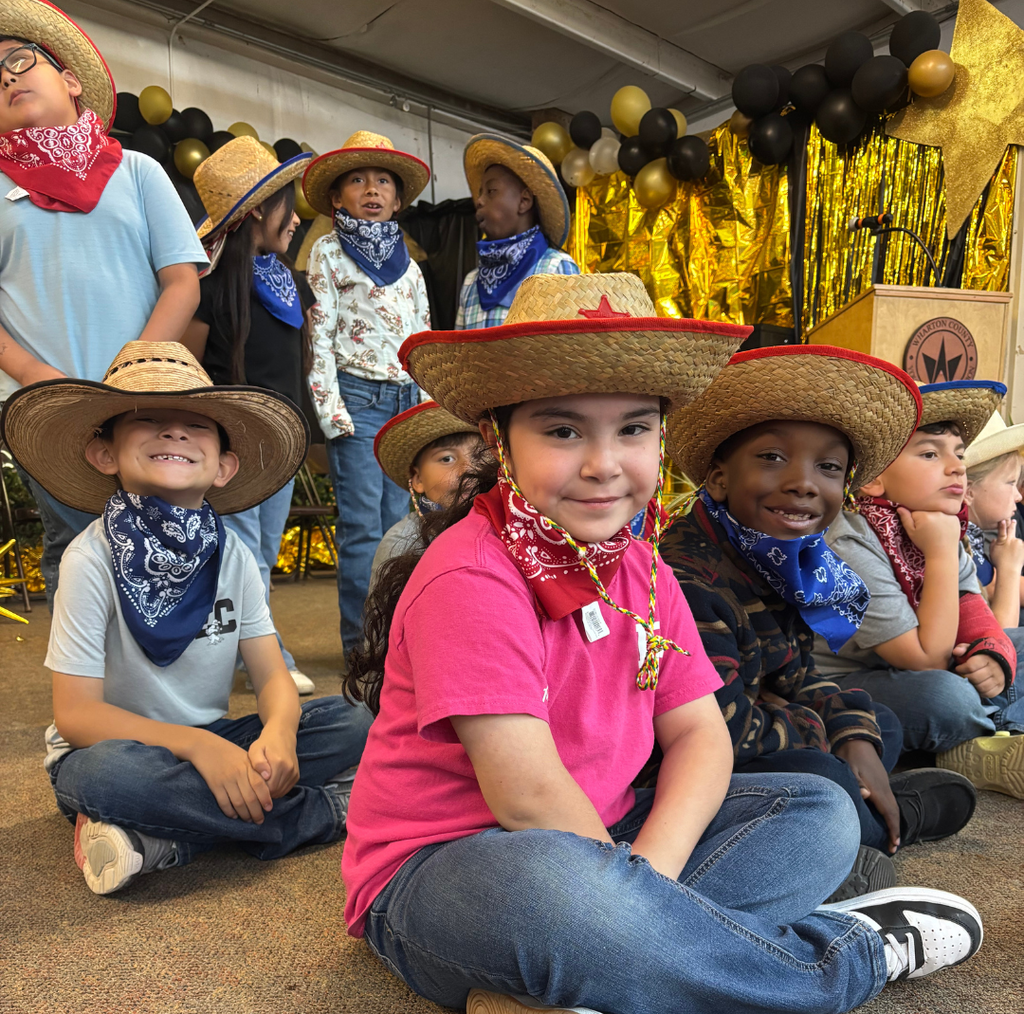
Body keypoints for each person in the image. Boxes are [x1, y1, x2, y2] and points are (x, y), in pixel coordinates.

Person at [339, 272, 983, 1014]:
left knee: (818, 810)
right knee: (562, 893)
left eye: (634, 429)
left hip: (610, 839)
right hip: (449, 868)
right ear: (498, 438)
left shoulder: (644, 565)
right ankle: (841, 959)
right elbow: (524, 797)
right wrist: (613, 900)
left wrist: (639, 886)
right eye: (562, 430)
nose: (604, 463)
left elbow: (702, 739)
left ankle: (598, 975)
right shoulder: (471, 573)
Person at [0, 341, 373, 895]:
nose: (174, 432)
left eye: (197, 424)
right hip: (114, 750)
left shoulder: (235, 555)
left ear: (224, 466)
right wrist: (201, 749)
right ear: (103, 454)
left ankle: (165, 841)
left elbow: (271, 675)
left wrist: (278, 731)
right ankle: (323, 813)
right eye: (147, 419)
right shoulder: (90, 557)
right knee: (108, 780)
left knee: (356, 720)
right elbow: (76, 716)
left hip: (216, 738)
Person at [657, 345, 977, 900]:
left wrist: (849, 734)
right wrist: (822, 732)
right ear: (716, 479)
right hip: (692, 764)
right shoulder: (689, 580)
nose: (805, 483)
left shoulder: (789, 559)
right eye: (773, 458)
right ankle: (878, 824)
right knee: (819, 772)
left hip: (762, 721)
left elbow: (801, 674)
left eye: (828, 467)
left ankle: (854, 824)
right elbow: (723, 734)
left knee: (878, 724)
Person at [0, 0, 208, 603]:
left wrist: (135, 372)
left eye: (20, 61)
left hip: (146, 396)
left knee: (162, 535)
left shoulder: (138, 170)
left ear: (70, 81)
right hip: (41, 403)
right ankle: (85, 695)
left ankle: (164, 688)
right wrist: (41, 381)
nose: (6, 79)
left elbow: (182, 282)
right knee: (78, 543)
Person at [814, 379, 1024, 799]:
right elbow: (926, 658)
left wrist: (992, 655)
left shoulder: (943, 522)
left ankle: (989, 735)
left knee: (1013, 648)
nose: (956, 468)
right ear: (873, 479)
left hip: (932, 658)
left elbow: (971, 611)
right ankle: (986, 736)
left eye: (959, 455)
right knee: (945, 697)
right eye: (930, 454)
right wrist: (942, 552)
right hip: (853, 680)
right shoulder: (849, 540)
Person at [182, 136, 317, 694]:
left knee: (262, 551)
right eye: (289, 203)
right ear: (260, 208)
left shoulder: (295, 285)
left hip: (281, 443)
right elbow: (187, 367)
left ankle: (242, 649)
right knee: (242, 552)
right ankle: (268, 661)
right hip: (232, 444)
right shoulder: (210, 288)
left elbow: (298, 366)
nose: (297, 219)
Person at [301, 130, 431, 655]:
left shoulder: (410, 265)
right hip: (357, 398)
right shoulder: (328, 254)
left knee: (400, 527)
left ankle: (395, 640)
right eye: (357, 180)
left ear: (398, 200)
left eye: (382, 181)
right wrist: (332, 410)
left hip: (404, 399)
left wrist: (425, 408)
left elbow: (421, 336)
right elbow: (320, 336)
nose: (371, 189)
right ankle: (361, 648)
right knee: (360, 527)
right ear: (337, 197)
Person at [455, 133, 578, 331]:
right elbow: (458, 356)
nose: (479, 201)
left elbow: (573, 349)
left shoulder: (556, 269)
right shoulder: (471, 283)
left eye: (491, 191)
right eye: (480, 193)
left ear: (524, 201)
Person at [370, 400, 483, 577]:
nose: (468, 470)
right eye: (446, 459)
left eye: (480, 456)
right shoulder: (402, 544)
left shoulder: (511, 527)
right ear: (418, 480)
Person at [963, 410, 1024, 628]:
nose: (1018, 496)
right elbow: (1001, 637)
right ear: (968, 491)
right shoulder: (957, 544)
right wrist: (1010, 567)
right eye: (1010, 483)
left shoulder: (971, 539)